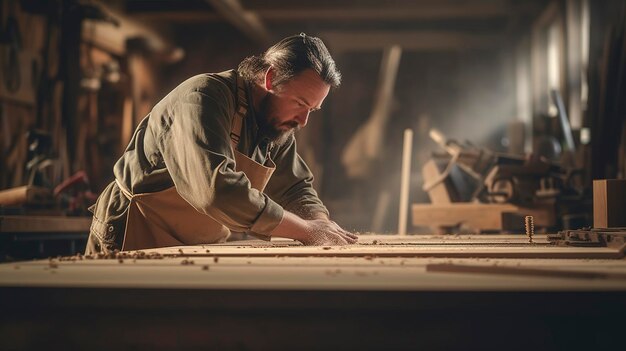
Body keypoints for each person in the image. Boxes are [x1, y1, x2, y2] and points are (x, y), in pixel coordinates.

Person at [85, 33, 358, 254]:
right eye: (300, 103)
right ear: (271, 78)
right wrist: (305, 230)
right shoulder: (204, 98)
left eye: (312, 109)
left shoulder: (275, 124)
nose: (303, 120)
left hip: (195, 246)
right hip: (137, 232)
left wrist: (321, 223)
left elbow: (295, 187)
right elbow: (216, 190)